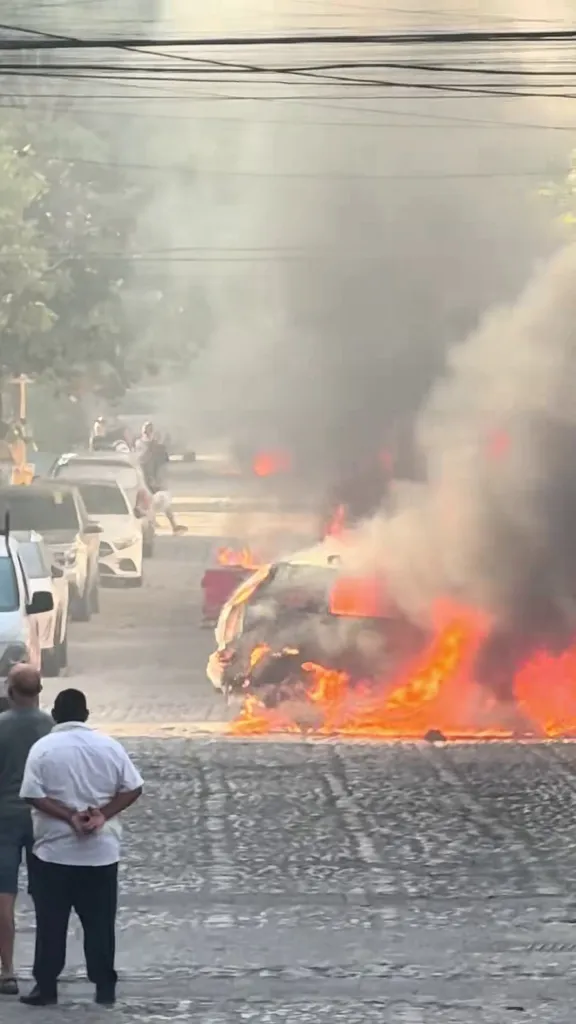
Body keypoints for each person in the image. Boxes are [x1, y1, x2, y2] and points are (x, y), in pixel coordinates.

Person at [19, 688, 143, 1007]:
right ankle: (104, 987)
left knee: (51, 924)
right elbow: (133, 787)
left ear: (55, 716)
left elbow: (32, 793)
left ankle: (46, 986)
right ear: (86, 715)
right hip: (101, 855)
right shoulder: (109, 746)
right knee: (100, 924)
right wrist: (103, 814)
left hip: (53, 853)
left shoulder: (43, 748)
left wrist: (69, 816)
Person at [0, 666, 53, 996]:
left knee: (3, 897)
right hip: (44, 818)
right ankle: (46, 967)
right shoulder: (52, 728)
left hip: (4, 818)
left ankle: (7, 971)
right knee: (47, 897)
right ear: (39, 691)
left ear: (10, 691)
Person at [136, 423, 186, 535]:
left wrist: (160, 479)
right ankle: (153, 529)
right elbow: (140, 461)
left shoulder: (156, 447)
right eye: (146, 432)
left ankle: (173, 526)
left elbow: (163, 464)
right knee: (148, 505)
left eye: (149, 431)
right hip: (144, 479)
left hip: (155, 479)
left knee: (163, 503)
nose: (148, 434)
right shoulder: (140, 446)